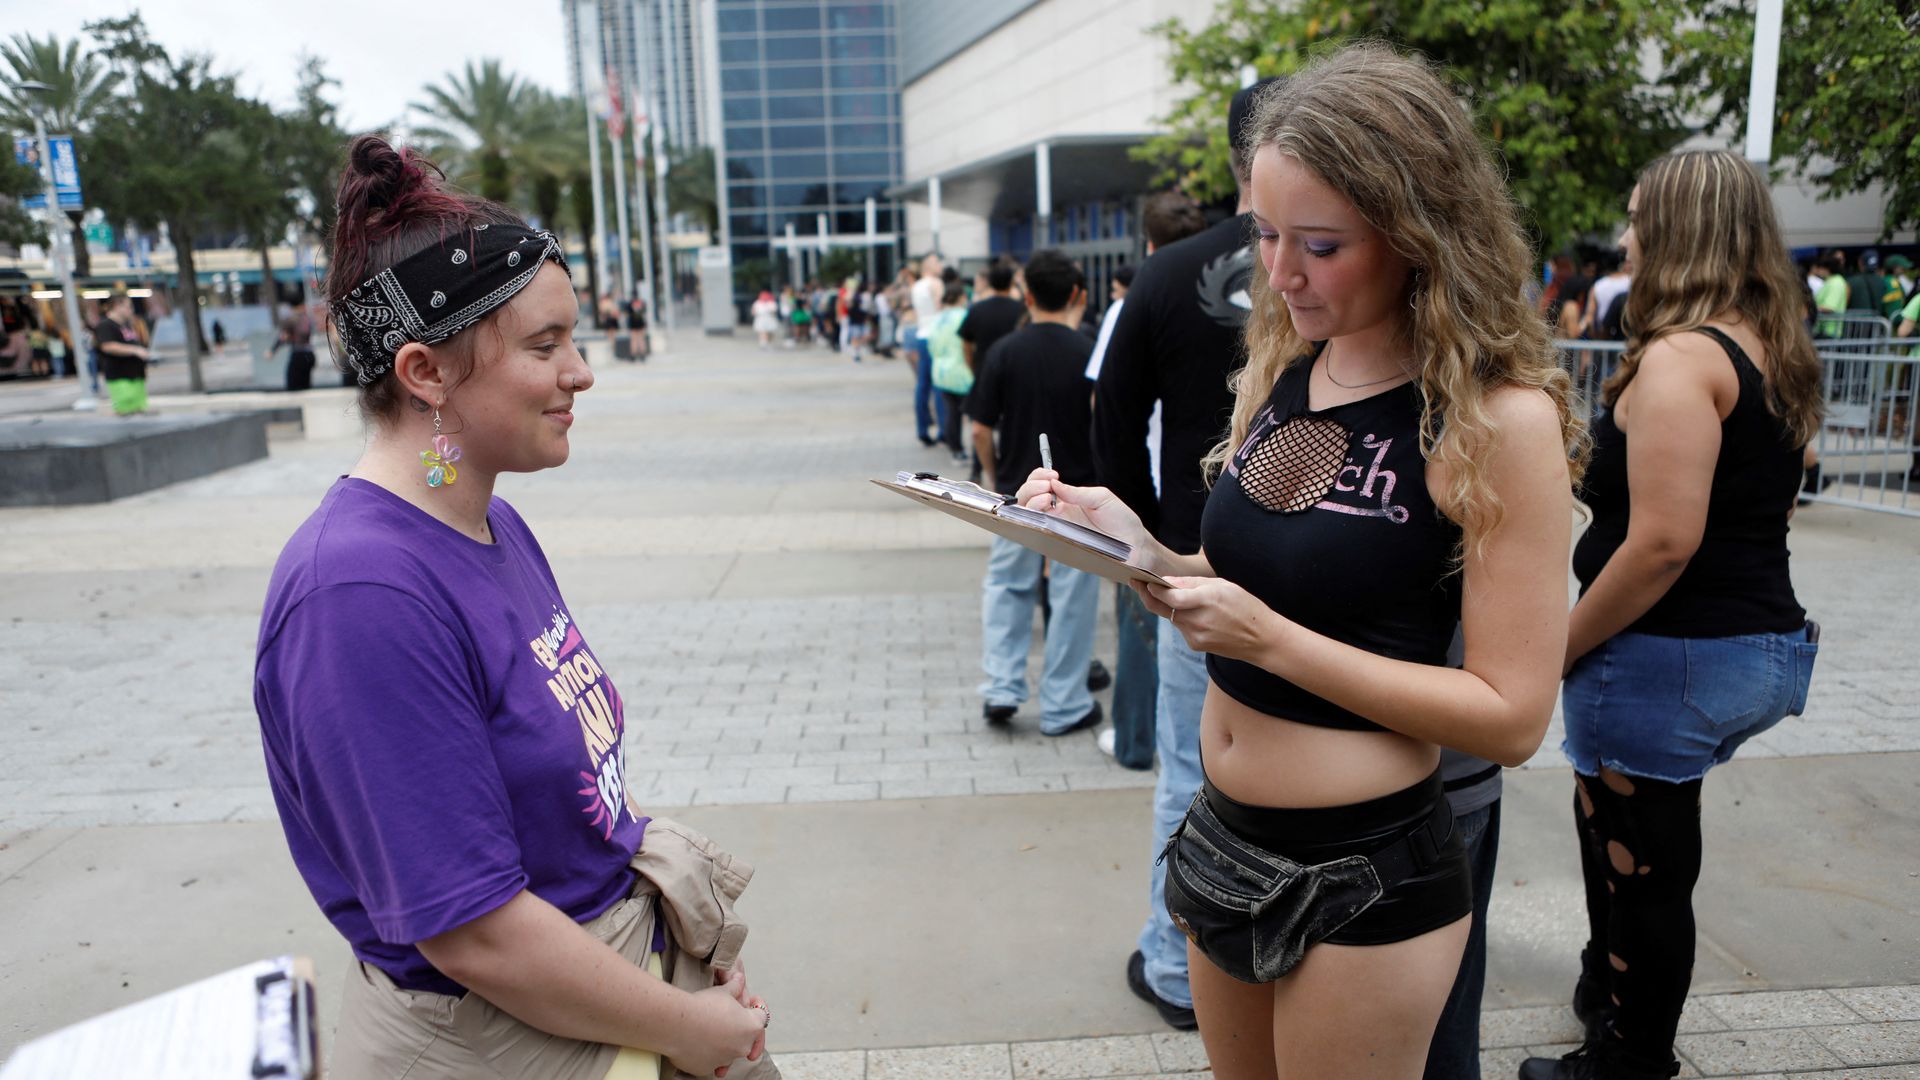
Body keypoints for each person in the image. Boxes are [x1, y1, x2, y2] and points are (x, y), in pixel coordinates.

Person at [1032, 45, 1581, 1076]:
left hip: (1366, 868)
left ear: (1418, 234)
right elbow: (1244, 574)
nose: (1280, 274)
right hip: (1221, 840)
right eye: (1266, 234)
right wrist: (1131, 541)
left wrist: (1273, 643)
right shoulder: (1292, 362)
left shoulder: (1495, 422)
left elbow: (1512, 715)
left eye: (1320, 245)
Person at [252, 136, 773, 1078]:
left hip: (611, 983)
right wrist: (691, 1030)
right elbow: (473, 930)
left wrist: (681, 982)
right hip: (505, 1036)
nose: (582, 371)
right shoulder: (360, 597)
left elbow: (566, 795)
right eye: (545, 345)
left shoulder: (493, 524)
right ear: (425, 373)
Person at [1522, 149, 1826, 1080]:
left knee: (1643, 871)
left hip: (1668, 658)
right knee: (1630, 847)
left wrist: (1561, 648)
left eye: (1638, 216)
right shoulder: (1769, 344)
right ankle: (1603, 984)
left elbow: (1660, 546)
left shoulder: (1679, 362)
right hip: (1756, 646)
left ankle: (1629, 1055)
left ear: (1681, 231)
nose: (1626, 236)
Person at [1090, 78, 1270, 1032]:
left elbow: (1110, 427)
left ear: (1230, 156)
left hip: (1188, 558)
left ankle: (1174, 966)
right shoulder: (1367, 268)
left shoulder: (1163, 277)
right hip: (1318, 566)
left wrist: (1143, 540)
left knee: (1189, 778)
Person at [1087, 190, 1208, 771]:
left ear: (1149, 243)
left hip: (1165, 507)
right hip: (1215, 506)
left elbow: (1108, 403)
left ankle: (1136, 739)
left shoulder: (1142, 295)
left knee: (1143, 620)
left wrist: (1133, 508)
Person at [970, 249, 1102, 736]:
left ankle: (1002, 687)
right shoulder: (1091, 352)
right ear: (1076, 295)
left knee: (1007, 588)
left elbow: (981, 429)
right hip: (1079, 496)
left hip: (1015, 491)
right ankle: (1064, 704)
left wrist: (991, 478)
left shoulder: (1006, 350)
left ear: (1027, 296)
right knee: (1072, 598)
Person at [927, 280, 972, 463]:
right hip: (962, 371)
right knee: (969, 414)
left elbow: (932, 346)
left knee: (951, 412)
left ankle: (955, 448)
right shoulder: (965, 316)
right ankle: (966, 452)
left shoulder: (937, 318)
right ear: (962, 297)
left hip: (941, 371)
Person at [92, 294, 151, 416]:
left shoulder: (126, 325)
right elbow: (107, 346)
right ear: (117, 306)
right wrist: (135, 350)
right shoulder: (105, 325)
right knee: (126, 413)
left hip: (134, 376)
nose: (131, 310)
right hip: (120, 377)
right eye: (128, 306)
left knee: (138, 412)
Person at [910, 253, 946, 445]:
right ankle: (943, 430)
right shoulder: (936, 283)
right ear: (929, 266)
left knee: (922, 385)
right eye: (937, 262)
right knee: (939, 384)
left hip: (921, 334)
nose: (940, 265)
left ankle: (922, 428)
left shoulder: (916, 286)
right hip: (936, 336)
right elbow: (941, 308)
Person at [279, 304, 318, 391]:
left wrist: (272, 350)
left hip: (298, 354)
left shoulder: (291, 319)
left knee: (293, 384)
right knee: (305, 385)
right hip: (309, 354)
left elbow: (283, 337)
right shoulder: (307, 319)